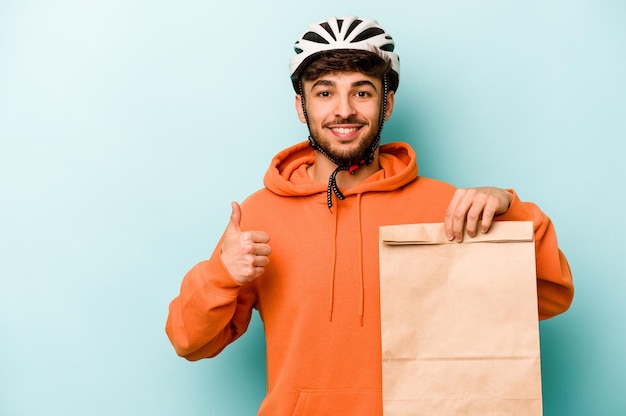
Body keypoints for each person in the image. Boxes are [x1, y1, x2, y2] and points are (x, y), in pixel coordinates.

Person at [166, 16, 574, 415]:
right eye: (324, 93)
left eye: (362, 92)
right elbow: (190, 342)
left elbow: (550, 295)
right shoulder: (259, 216)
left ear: (387, 102)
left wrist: (509, 206)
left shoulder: (444, 208)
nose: (343, 111)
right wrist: (222, 273)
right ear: (300, 106)